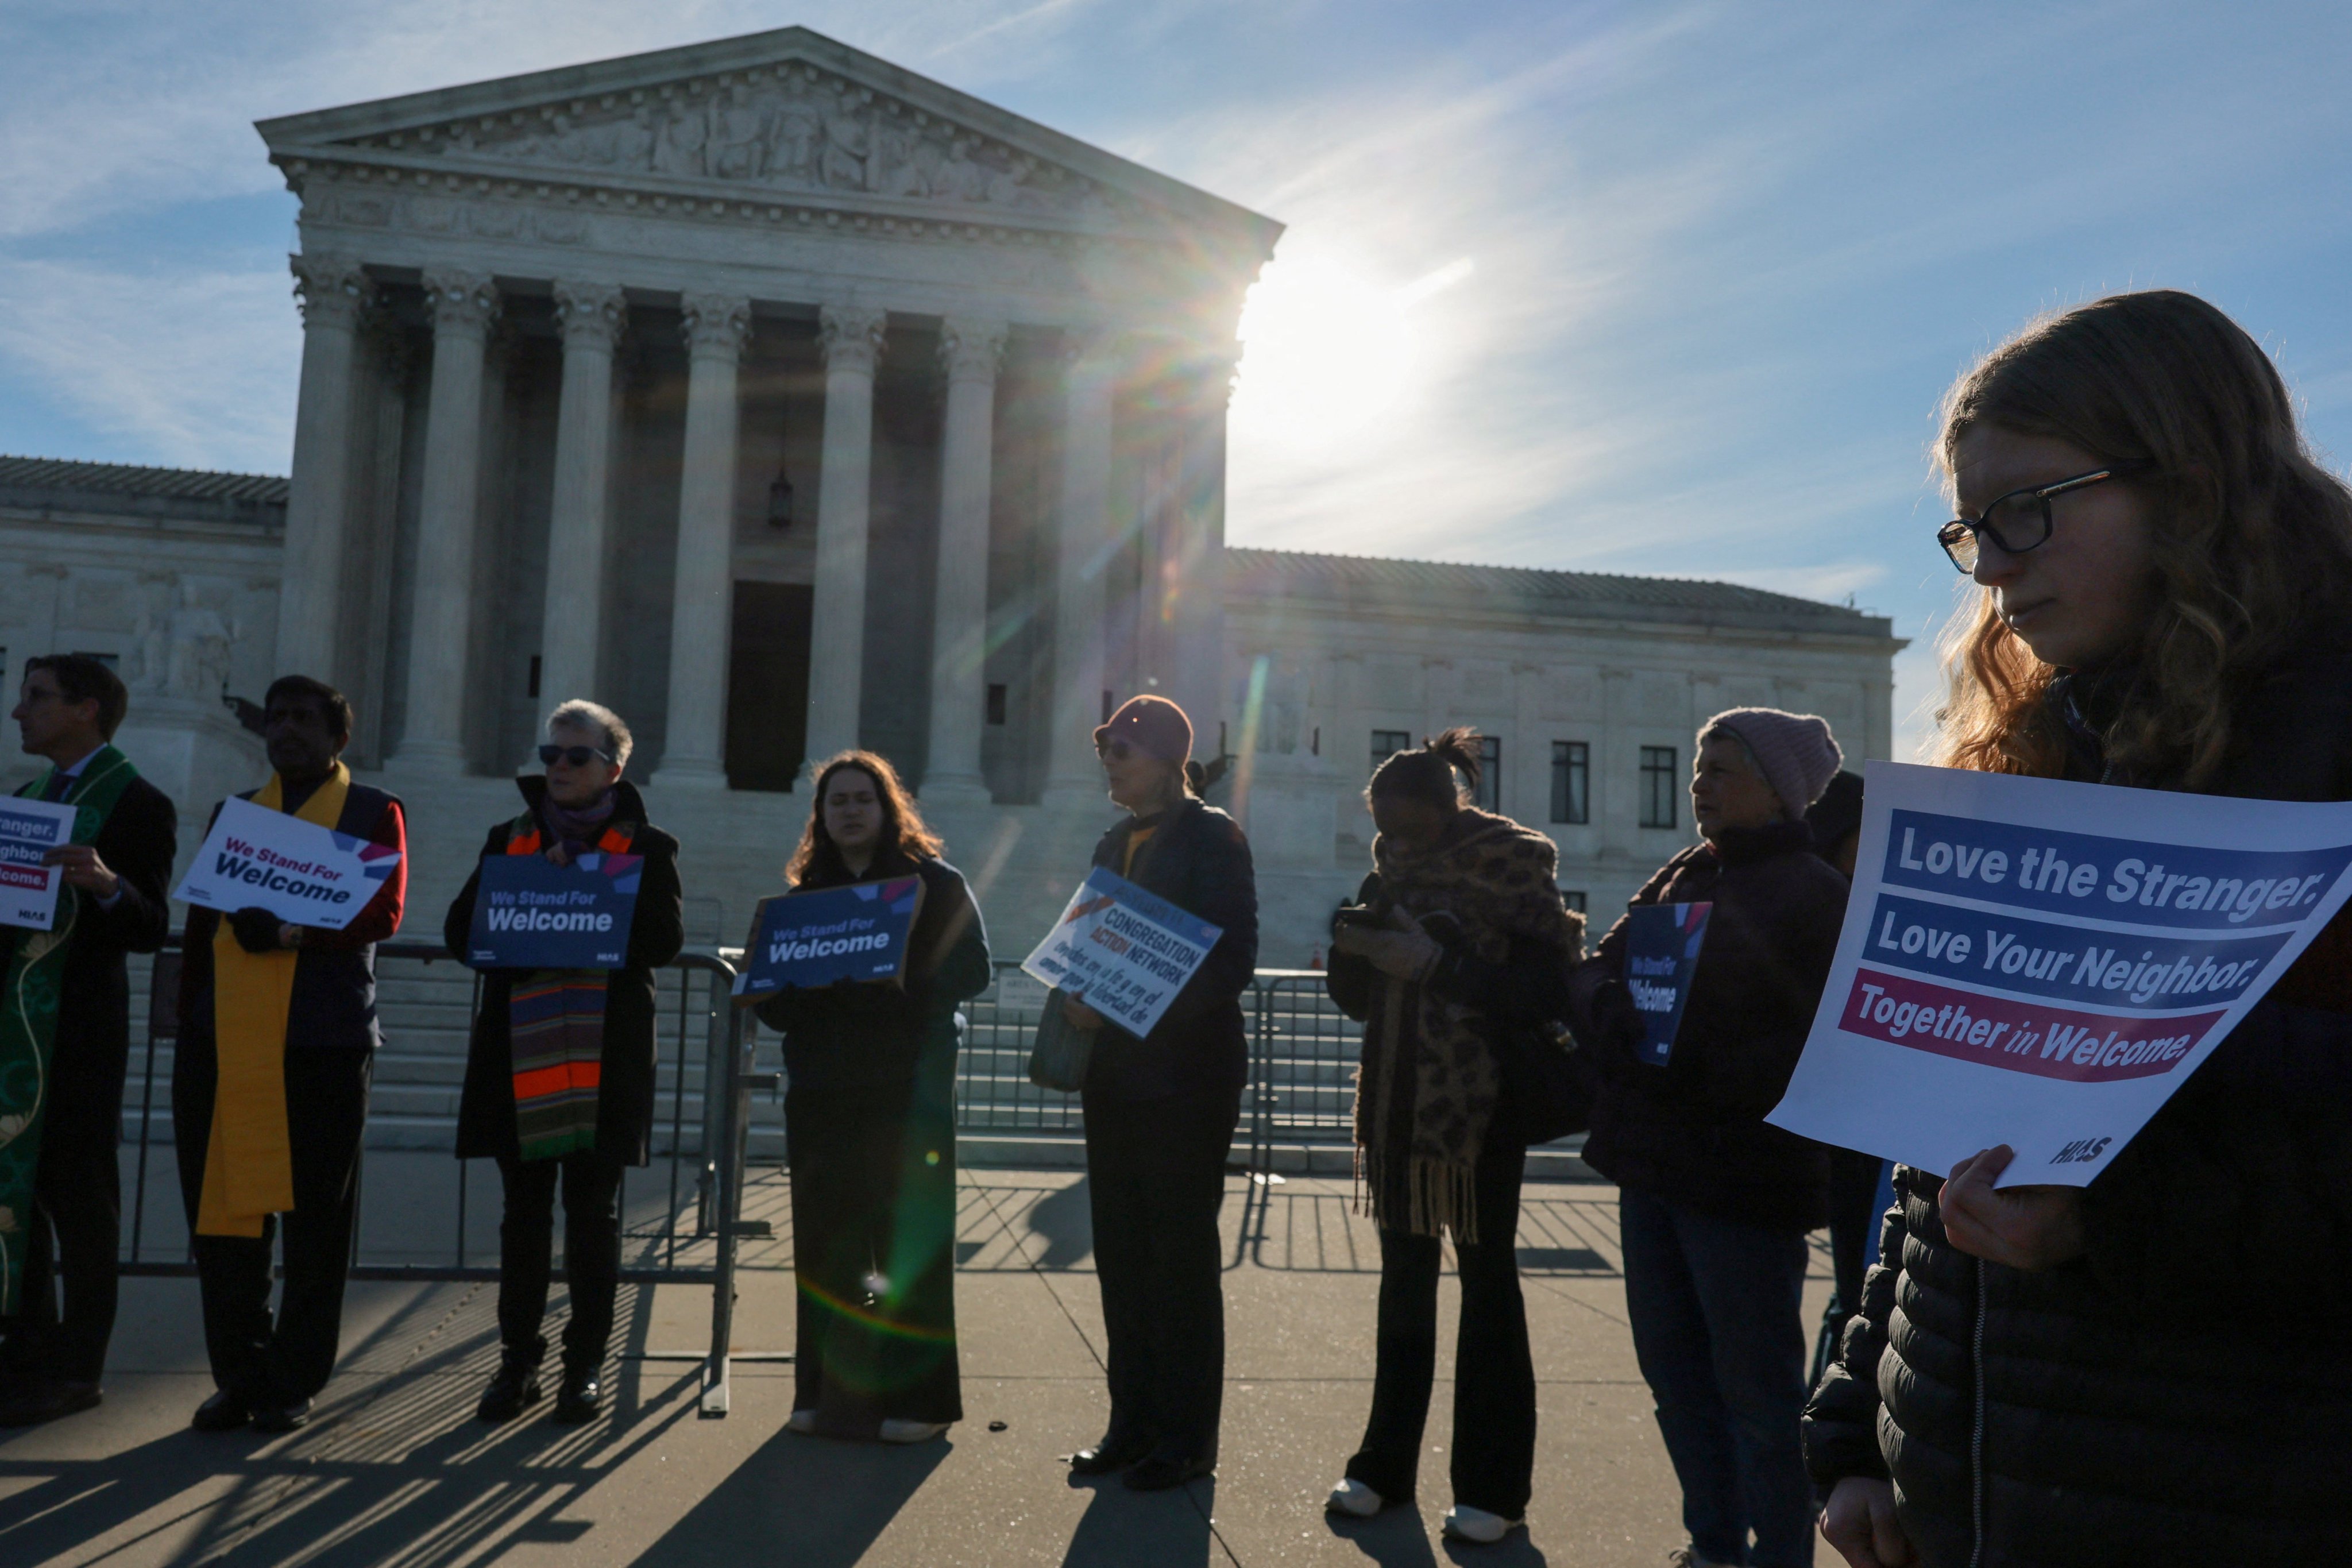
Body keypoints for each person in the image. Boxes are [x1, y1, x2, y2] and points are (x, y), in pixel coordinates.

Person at [1806, 290, 2352, 1565]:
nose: (1991, 568)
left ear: (2193, 481)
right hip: (1972, 1494)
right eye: (1969, 530)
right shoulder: (2038, 751)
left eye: (2026, 512)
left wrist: (2118, 1223)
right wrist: (1859, 1424)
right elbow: (1930, 1144)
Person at [1569, 708, 1849, 1568]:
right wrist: (1623, 1020)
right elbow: (1597, 975)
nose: (1699, 782)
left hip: (1741, 1187)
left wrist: (1683, 1044)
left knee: (1758, 1398)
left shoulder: (1813, 893)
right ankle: (1712, 1544)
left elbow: (1810, 1044)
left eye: (1720, 767)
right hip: (1650, 1167)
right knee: (1675, 1382)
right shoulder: (1683, 872)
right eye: (1697, 765)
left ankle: (1778, 1555)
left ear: (1776, 788)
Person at [1320, 728, 1585, 1546]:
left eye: (1407, 826)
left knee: (1487, 1288)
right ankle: (1382, 1464)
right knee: (1402, 1287)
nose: (1394, 841)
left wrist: (1435, 964)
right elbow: (1360, 1001)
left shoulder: (1511, 866)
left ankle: (1493, 1485)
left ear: (1447, 808)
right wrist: (1353, 949)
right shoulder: (1388, 871)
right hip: (1398, 1109)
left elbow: (1547, 988)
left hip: (1481, 1111)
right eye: (1382, 826)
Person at [173, 675, 405, 1434]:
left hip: (323, 1039)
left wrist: (289, 932)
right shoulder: (235, 813)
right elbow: (206, 928)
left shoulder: (375, 811)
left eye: (306, 719)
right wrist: (189, 1024)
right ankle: (238, 1372)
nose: (287, 730)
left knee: (315, 1218)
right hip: (230, 1038)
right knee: (229, 1216)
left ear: (340, 737)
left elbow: (382, 910)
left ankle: (294, 1376)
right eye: (276, 718)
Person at [443, 701, 683, 1424]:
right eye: (550, 755)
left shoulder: (647, 846)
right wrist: (538, 894)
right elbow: (462, 933)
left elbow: (665, 941)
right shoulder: (506, 839)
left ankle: (584, 1367)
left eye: (576, 757)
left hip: (602, 1053)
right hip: (519, 1050)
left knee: (591, 1218)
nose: (558, 768)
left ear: (613, 767)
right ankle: (517, 1364)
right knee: (522, 1217)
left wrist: (590, 888)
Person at [755, 750, 989, 1444]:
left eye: (863, 798)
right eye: (837, 802)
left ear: (889, 808)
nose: (850, 810)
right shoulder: (802, 901)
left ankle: (921, 1402)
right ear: (820, 818)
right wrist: (797, 987)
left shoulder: (935, 884)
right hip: (824, 1089)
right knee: (828, 1248)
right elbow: (773, 1005)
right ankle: (829, 1396)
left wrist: (891, 977)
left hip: (905, 1087)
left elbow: (971, 970)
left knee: (908, 1245)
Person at [1062, 695, 1257, 1492]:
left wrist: (1123, 995)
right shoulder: (1114, 839)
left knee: (1177, 1256)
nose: (1109, 761)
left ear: (1169, 758)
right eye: (1106, 747)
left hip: (1186, 1074)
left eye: (1123, 750)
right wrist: (1081, 981)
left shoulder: (1213, 835)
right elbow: (1096, 937)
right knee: (1120, 1253)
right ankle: (1130, 1423)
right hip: (1113, 1074)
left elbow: (1230, 958)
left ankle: (1183, 1437)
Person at [0, 656, 176, 1426]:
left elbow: (151, 925)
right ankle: (25, 1354)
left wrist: (107, 885)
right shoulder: (24, 798)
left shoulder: (139, 802)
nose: (18, 711)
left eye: (37, 698)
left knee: (83, 1200)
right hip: (14, 1026)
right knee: (18, 1198)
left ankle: (80, 1365)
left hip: (78, 1030)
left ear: (87, 709)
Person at [1798, 771, 1881, 1380]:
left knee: (1851, 1299)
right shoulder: (1839, 905)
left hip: (1861, 1132)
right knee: (1855, 1299)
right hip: (1853, 1135)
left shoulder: (1848, 898)